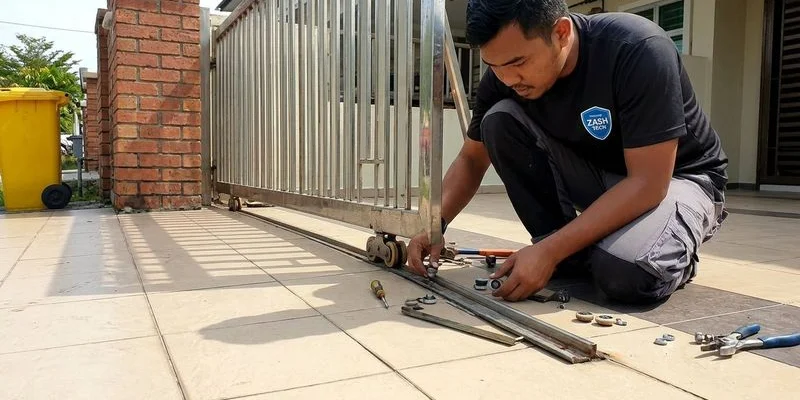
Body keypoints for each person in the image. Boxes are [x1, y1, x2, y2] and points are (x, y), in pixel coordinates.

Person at [405, 0, 729, 304]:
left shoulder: (637, 49)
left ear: (560, 32)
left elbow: (648, 183)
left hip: (678, 178)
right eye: (495, 65)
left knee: (624, 273)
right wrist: (435, 224)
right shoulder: (503, 77)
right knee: (498, 121)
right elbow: (472, 159)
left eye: (518, 62)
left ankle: (670, 251)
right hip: (602, 175)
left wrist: (547, 252)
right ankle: (569, 253)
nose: (507, 78)